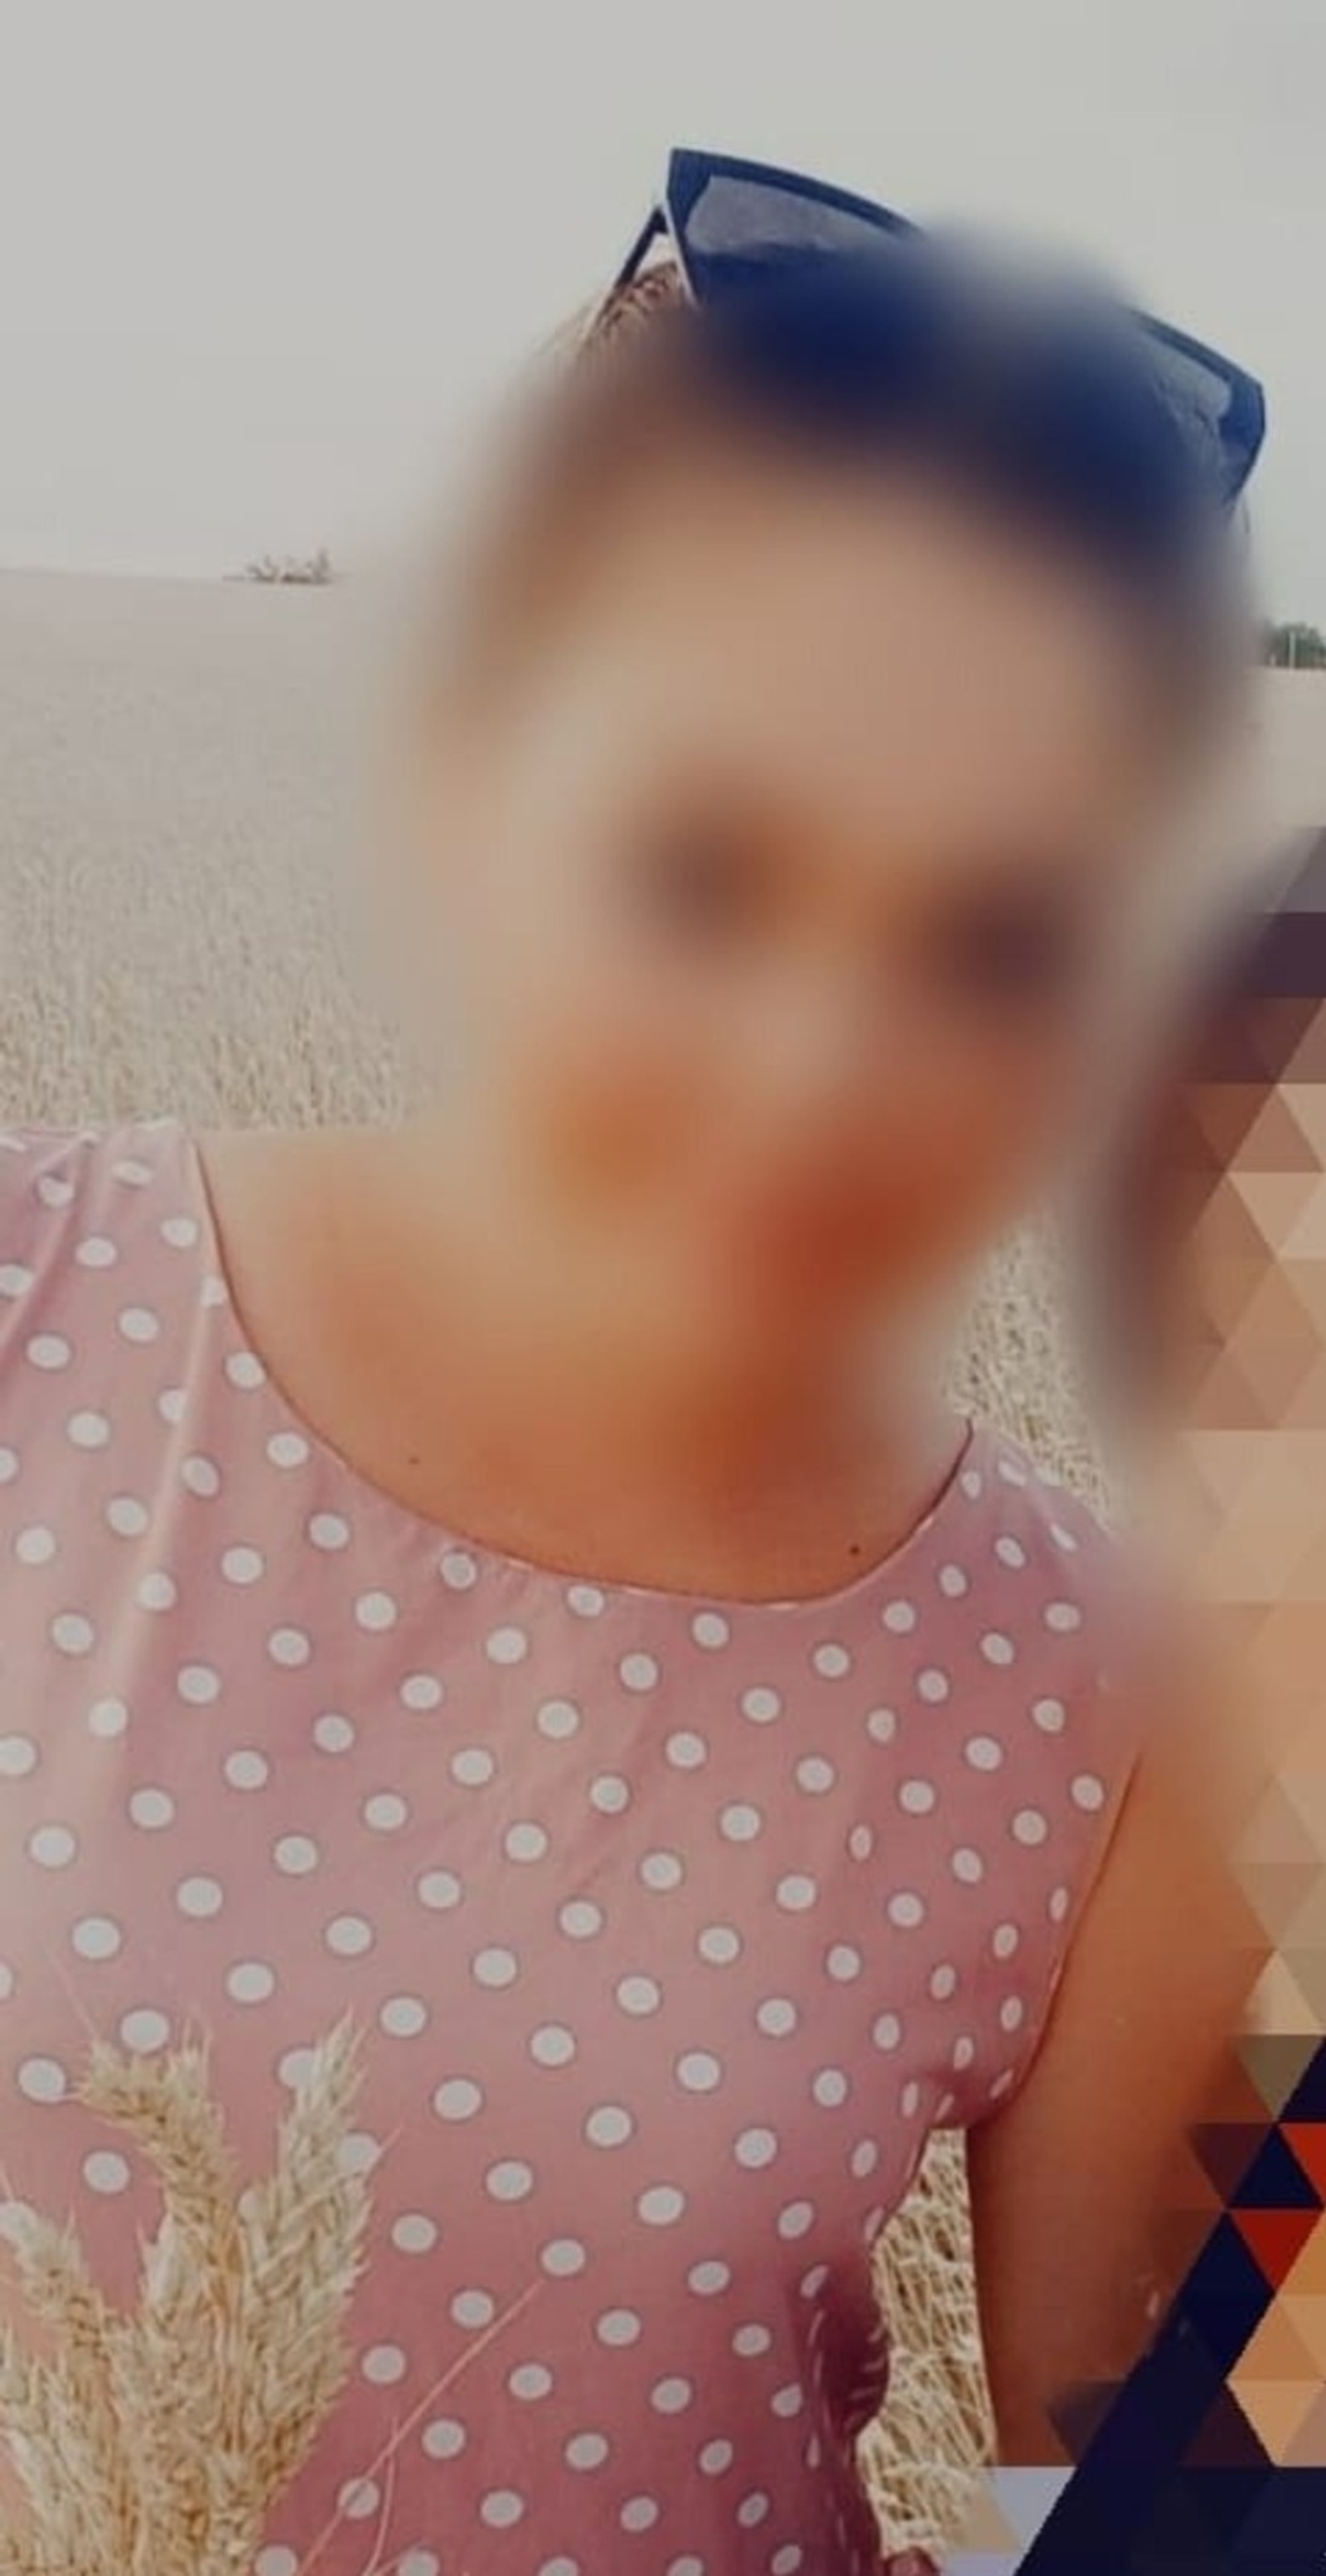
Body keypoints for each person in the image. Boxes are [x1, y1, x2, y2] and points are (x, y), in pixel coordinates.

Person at [0, 150, 1264, 2575]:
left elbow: (1182, 2509)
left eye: (998, 941)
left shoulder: (1104, 1695)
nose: (821, 1070)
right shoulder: (34, 1301)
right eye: (704, 868)